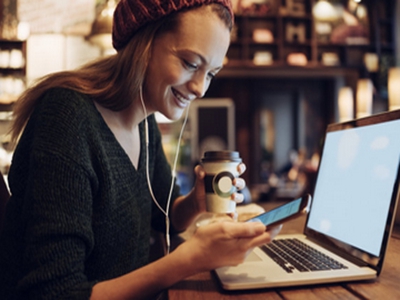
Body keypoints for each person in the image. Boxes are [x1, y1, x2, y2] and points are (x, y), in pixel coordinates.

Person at [0, 0, 282, 299]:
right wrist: (191, 259)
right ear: (143, 43)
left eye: (211, 73)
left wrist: (197, 203)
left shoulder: (144, 122)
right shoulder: (66, 119)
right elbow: (56, 293)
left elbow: (166, 213)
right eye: (190, 63)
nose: (200, 88)